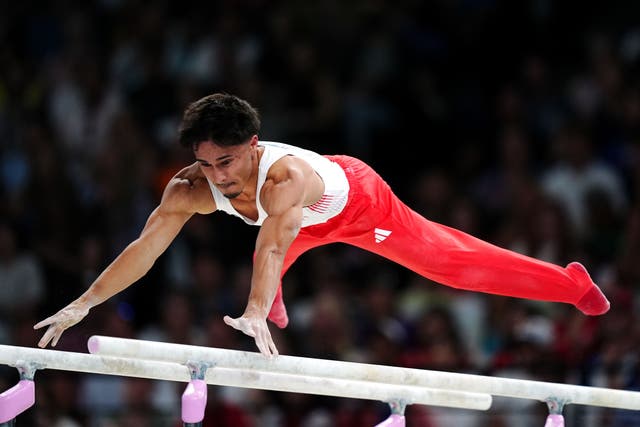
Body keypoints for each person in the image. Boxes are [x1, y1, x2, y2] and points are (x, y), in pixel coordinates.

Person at [34, 93, 610, 357]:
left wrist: (257, 311)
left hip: (357, 203)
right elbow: (146, 247)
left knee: (451, 265)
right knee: (276, 246)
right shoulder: (192, 186)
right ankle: (273, 297)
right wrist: (84, 303)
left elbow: (272, 243)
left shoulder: (282, 179)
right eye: (207, 164)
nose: (219, 178)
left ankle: (570, 284)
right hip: (293, 227)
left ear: (253, 148)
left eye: (228, 163)